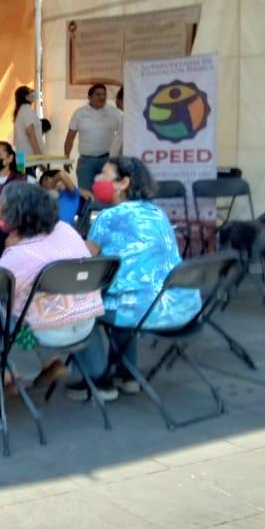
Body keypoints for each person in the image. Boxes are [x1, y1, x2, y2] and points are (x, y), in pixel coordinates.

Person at [84, 156, 202, 400]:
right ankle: (127, 375)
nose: (97, 180)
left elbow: (85, 260)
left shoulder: (108, 217)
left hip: (146, 312)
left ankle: (99, 380)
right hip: (184, 308)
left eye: (104, 175)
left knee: (83, 308)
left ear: (123, 183)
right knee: (127, 294)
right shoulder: (158, 213)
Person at [0, 183, 108, 394]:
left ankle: (9, 373)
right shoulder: (66, 230)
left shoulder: (18, 255)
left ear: (12, 215)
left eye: (0, 209)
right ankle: (49, 362)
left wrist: (5, 253)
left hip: (48, 333)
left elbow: (0, 289)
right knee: (35, 301)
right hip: (86, 324)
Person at [64, 84, 121, 191]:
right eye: (98, 94)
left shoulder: (114, 112)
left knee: (108, 193)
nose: (102, 97)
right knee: (85, 194)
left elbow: (123, 134)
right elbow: (70, 137)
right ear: (89, 97)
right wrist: (66, 158)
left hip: (108, 160)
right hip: (86, 162)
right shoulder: (79, 113)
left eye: (104, 94)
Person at [12, 86, 43, 162]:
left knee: (21, 169)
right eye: (30, 91)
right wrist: (39, 157)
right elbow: (30, 134)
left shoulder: (21, 110)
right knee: (26, 170)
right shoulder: (26, 109)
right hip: (29, 157)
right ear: (26, 97)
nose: (33, 92)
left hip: (21, 156)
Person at [110, 86, 125, 157]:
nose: (115, 101)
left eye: (117, 98)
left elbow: (120, 143)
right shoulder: (124, 118)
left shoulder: (128, 120)